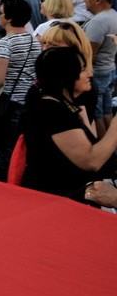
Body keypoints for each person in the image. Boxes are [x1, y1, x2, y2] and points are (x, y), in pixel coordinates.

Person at [20, 47, 117, 200]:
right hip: (56, 201)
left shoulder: (65, 104)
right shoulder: (51, 110)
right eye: (83, 70)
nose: (90, 74)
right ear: (65, 75)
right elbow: (91, 161)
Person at [0, 0, 39, 181]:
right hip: (29, 101)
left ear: (8, 18)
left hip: (9, 103)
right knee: (22, 148)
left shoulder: (5, 44)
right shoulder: (35, 41)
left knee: (5, 152)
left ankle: (6, 187)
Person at [84, 0, 117, 130]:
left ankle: (105, 149)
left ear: (97, 0)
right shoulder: (113, 15)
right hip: (109, 68)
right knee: (106, 110)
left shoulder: (98, 21)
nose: (84, 0)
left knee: (96, 114)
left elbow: (89, 53)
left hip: (98, 73)